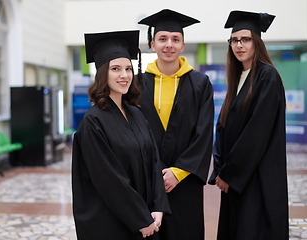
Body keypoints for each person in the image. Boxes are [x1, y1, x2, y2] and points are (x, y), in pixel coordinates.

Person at [71, 30, 171, 240]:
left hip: (146, 217)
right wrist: (140, 220)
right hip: (113, 222)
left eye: (128, 69)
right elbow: (109, 180)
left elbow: (154, 161)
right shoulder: (93, 122)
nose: (124, 75)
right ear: (102, 73)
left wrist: (158, 206)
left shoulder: (135, 113)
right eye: (115, 69)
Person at [208, 10, 289, 240]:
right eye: (234, 40)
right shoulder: (239, 78)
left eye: (245, 39)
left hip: (255, 178)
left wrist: (229, 174)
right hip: (236, 180)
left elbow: (255, 133)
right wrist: (221, 168)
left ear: (257, 42)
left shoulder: (267, 76)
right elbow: (223, 128)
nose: (239, 45)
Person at [137, 9, 214, 240]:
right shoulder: (137, 84)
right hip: (148, 179)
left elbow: (204, 134)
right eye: (162, 39)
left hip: (185, 181)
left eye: (175, 39)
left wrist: (178, 173)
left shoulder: (200, 83)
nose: (168, 44)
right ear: (152, 44)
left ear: (182, 45)